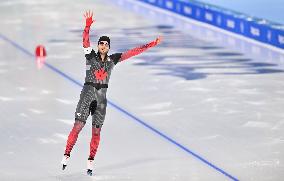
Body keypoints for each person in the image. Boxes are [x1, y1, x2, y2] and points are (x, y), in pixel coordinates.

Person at [61, 10, 162, 176]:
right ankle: (66, 154)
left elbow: (133, 52)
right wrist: (87, 26)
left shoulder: (113, 59)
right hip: (87, 95)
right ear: (98, 45)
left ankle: (91, 160)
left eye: (106, 44)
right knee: (78, 126)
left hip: (101, 99)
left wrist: (151, 44)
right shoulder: (90, 56)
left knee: (96, 131)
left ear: (109, 47)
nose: (103, 46)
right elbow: (85, 42)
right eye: (101, 43)